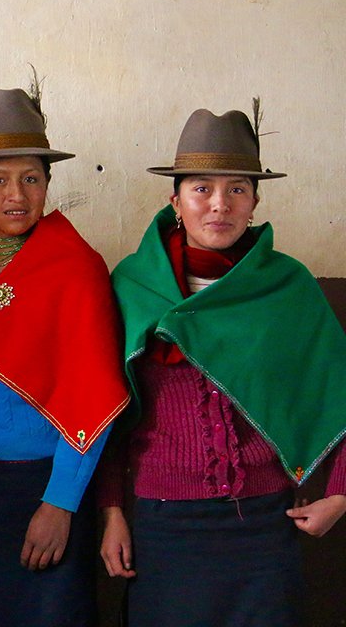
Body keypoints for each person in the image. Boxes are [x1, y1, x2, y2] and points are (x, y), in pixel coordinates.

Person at [98, 106, 346, 626]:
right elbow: (111, 411)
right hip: (162, 520)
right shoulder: (132, 286)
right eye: (201, 188)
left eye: (237, 189)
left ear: (255, 201)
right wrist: (113, 510)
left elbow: (337, 392)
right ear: (175, 200)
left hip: (265, 521)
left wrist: (341, 492)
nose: (219, 204)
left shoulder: (288, 287)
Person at [0, 87, 130, 627]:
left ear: (48, 185)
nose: (16, 194)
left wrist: (61, 504)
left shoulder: (78, 269)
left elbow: (91, 396)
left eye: (31, 178)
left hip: (45, 483)